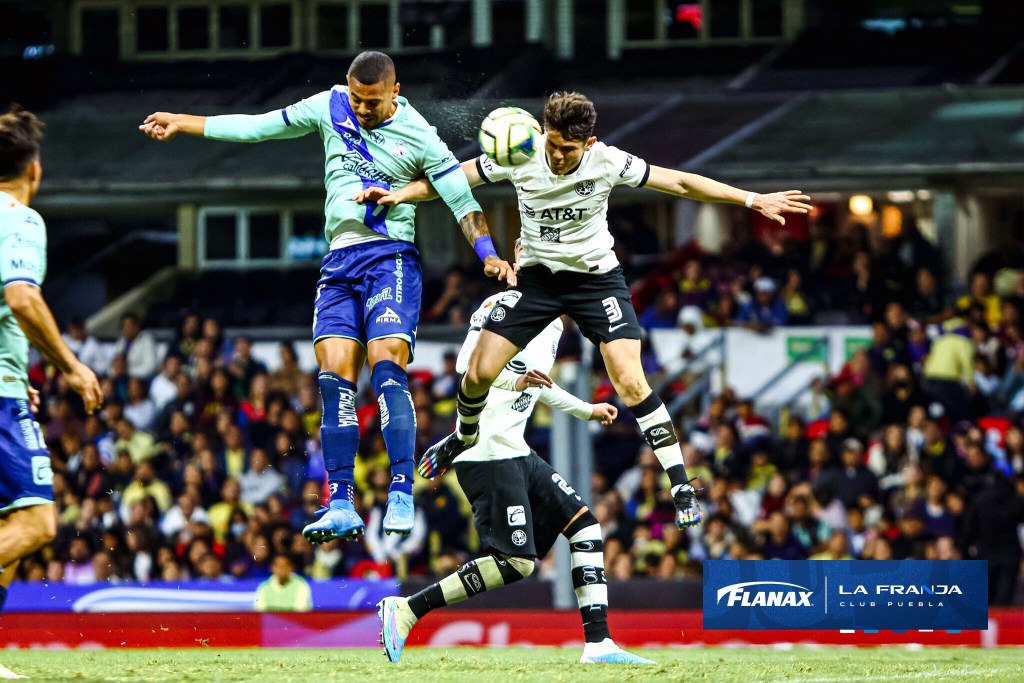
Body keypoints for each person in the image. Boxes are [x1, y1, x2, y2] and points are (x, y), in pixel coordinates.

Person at [360, 91, 810, 530]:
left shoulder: (607, 161)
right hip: (537, 283)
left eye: (568, 150)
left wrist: (751, 200)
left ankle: (680, 485)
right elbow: (453, 179)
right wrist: (400, 194)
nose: (557, 157)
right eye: (553, 145)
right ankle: (462, 436)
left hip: (596, 282)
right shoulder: (521, 151)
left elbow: (679, 182)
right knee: (476, 374)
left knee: (630, 381)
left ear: (589, 144)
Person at [140, 51, 514, 542]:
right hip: (338, 263)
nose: (362, 109)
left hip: (390, 257)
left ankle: (401, 492)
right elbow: (258, 127)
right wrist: (185, 122)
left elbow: (462, 202)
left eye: (372, 102)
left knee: (386, 366)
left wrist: (488, 254)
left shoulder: (420, 135)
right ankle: (341, 504)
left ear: (396, 91)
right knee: (335, 381)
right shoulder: (330, 105)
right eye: (357, 99)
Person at [377, 242, 653, 665]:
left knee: (585, 527)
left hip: (516, 449)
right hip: (486, 450)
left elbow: (536, 382)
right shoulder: (498, 306)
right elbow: (467, 368)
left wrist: (586, 409)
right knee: (516, 563)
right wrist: (512, 381)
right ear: (519, 263)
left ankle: (599, 644)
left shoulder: (554, 323)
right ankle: (408, 609)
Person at [0, 105, 103, 679]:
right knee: (37, 524)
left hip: (10, 385)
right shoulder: (18, 218)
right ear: (34, 169)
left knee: (9, 525)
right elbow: (21, 297)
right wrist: (70, 367)